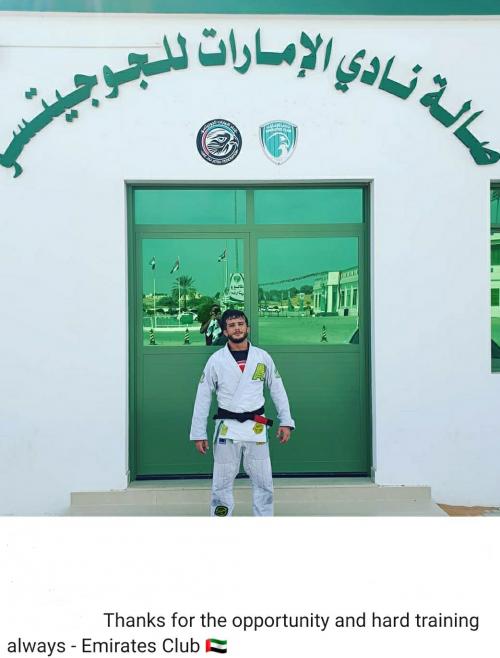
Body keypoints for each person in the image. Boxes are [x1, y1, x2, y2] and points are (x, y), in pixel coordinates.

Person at [190, 309, 295, 516]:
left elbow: (277, 389)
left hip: (256, 427)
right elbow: (203, 397)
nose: (237, 328)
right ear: (224, 331)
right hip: (227, 428)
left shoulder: (262, 357)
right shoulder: (216, 360)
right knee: (221, 484)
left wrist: (286, 421)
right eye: (231, 325)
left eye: (240, 324)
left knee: (264, 482)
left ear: (248, 328)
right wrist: (198, 433)